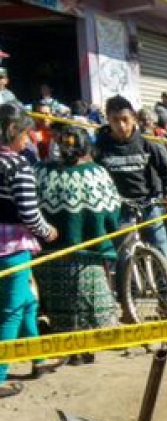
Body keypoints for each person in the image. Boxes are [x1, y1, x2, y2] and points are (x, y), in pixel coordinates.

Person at [34, 127, 122, 365]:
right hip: (88, 259)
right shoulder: (97, 174)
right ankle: (85, 350)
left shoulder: (40, 172)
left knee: (56, 306)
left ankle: (63, 349)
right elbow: (112, 216)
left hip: (47, 257)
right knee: (87, 307)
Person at [1, 103, 59, 398]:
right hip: (12, 247)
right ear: (12, 131)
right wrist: (48, 231)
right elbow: (28, 213)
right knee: (10, 311)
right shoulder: (18, 166)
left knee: (26, 304)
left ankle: (38, 358)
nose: (28, 140)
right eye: (25, 134)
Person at [95, 95, 167, 258]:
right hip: (120, 207)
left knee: (159, 243)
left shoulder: (148, 144)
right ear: (108, 120)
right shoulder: (101, 147)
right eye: (115, 120)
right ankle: (128, 282)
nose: (121, 125)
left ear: (133, 118)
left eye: (125, 119)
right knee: (125, 252)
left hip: (149, 203)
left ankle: (164, 281)